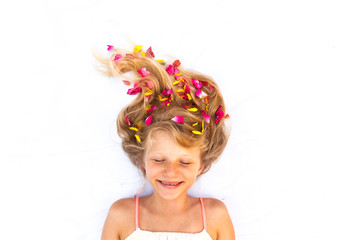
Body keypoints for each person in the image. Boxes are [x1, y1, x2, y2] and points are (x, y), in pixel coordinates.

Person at [93, 44, 235, 240]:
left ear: (201, 165)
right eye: (159, 160)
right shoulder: (120, 215)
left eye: (185, 162)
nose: (170, 172)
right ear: (141, 159)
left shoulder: (215, 216)